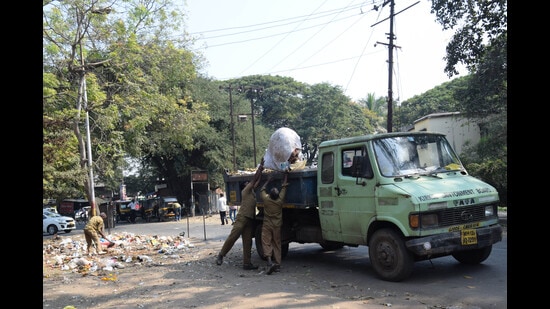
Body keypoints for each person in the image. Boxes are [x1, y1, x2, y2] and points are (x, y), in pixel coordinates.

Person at [215, 158, 265, 270]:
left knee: (247, 242)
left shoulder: (251, 192)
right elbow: (254, 181)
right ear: (245, 186)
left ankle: (247, 264)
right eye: (247, 183)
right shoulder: (245, 191)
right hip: (242, 217)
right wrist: (260, 167)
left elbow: (257, 182)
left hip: (249, 219)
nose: (249, 183)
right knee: (233, 237)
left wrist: (262, 172)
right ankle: (221, 255)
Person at [259, 171, 289, 275]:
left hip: (267, 225)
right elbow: (284, 187)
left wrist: (268, 180)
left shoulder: (266, 200)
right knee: (277, 244)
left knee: (266, 242)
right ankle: (278, 265)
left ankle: (269, 262)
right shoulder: (280, 201)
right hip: (277, 226)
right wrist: (286, 175)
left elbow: (262, 189)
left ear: (270, 195)